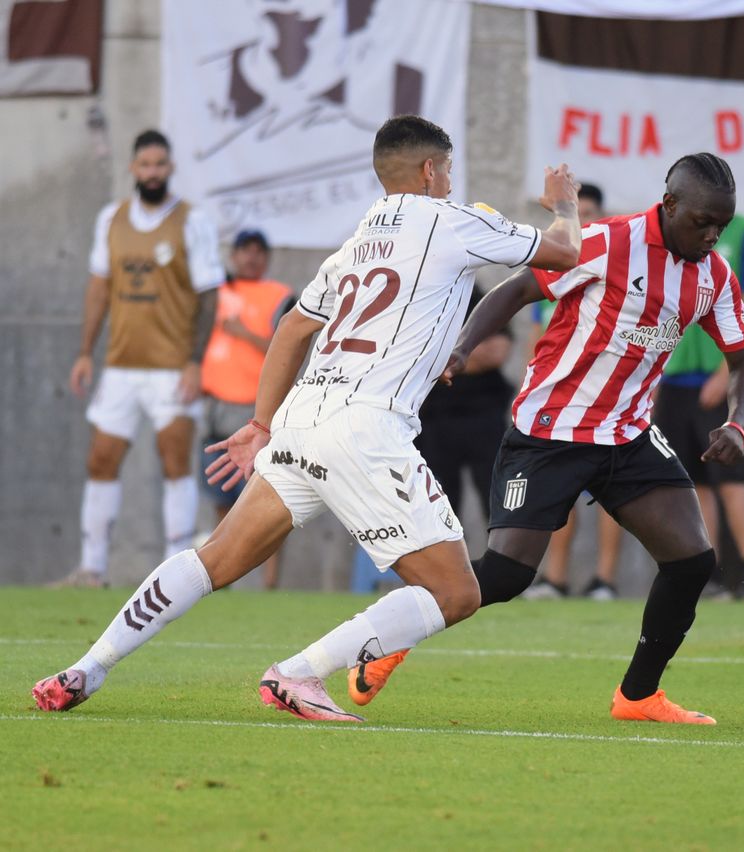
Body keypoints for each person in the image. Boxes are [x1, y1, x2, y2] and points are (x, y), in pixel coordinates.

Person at [33, 115, 583, 721]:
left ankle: (89, 666)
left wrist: (260, 423)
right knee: (456, 592)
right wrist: (565, 205)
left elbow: (293, 327)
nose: (451, 181)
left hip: (301, 418)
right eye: (447, 169)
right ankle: (297, 675)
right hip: (366, 428)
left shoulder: (355, 243)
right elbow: (563, 251)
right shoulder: (453, 220)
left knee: (214, 558)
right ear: (429, 171)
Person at [436, 152, 744, 724]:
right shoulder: (607, 243)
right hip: (550, 430)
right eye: (702, 222)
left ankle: (637, 696)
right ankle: (391, 636)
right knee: (507, 575)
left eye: (722, 226)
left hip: (627, 435)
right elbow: (515, 292)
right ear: (669, 206)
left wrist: (739, 422)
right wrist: (462, 348)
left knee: (691, 562)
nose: (712, 235)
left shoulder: (713, 277)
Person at [55, 129, 224, 588]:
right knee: (101, 458)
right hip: (122, 365)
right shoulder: (111, 218)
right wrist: (85, 352)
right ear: (133, 168)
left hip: (172, 366)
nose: (152, 172)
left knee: (174, 460)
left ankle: (176, 574)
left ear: (170, 169)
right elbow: (98, 287)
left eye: (160, 165)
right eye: (145, 164)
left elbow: (210, 296)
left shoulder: (192, 221)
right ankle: (92, 568)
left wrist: (195, 361)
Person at [653, 210, 744, 597]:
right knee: (693, 482)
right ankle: (712, 575)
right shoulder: (669, 240)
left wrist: (727, 372)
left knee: (731, 479)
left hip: (720, 373)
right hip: (675, 377)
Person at [523, 182, 628, 600]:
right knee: (559, 493)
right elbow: (535, 335)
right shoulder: (553, 267)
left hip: (608, 401)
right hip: (559, 402)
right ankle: (556, 578)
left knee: (612, 497)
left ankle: (605, 580)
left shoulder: (617, 268)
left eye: (588, 214)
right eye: (575, 214)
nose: (582, 222)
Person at [199, 228, 293, 589]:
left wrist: (244, 333)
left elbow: (288, 348)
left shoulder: (280, 296)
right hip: (216, 406)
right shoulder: (216, 293)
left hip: (256, 412)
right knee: (220, 499)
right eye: (244, 250)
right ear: (233, 255)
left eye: (258, 251)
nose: (250, 258)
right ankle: (221, 581)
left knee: (265, 505)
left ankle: (269, 584)